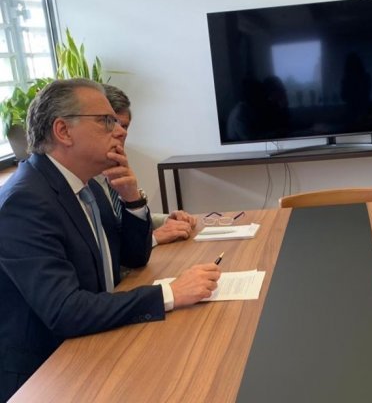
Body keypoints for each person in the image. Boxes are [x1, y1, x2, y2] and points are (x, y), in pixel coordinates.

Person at [0, 79, 220, 400]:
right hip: (46, 373)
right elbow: (65, 310)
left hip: (94, 343)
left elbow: (133, 257)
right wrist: (171, 293)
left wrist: (132, 199)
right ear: (63, 131)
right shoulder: (25, 201)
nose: (119, 131)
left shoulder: (86, 185)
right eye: (106, 121)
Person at [102, 84, 196, 244]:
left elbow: (121, 220)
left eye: (124, 126)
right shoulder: (85, 180)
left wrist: (166, 221)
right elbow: (102, 242)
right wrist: (153, 238)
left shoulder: (114, 167)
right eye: (111, 123)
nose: (122, 132)